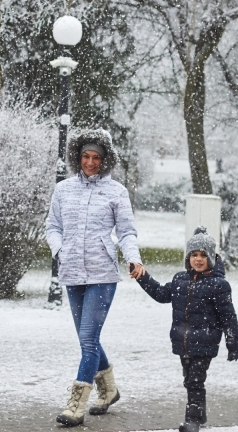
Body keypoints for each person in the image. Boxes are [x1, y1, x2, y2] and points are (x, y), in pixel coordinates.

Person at [45, 128, 145, 427]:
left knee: (88, 340)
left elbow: (126, 232)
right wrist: (60, 250)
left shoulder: (116, 191)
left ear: (105, 160)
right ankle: (109, 389)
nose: (90, 162)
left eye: (96, 158)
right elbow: (53, 226)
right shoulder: (63, 189)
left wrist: (134, 258)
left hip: (103, 273)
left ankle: (76, 404)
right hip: (72, 271)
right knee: (87, 338)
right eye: (86, 157)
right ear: (78, 157)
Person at [134, 227, 238, 432]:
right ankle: (199, 413)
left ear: (211, 258)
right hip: (183, 342)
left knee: (194, 381)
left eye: (203, 255)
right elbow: (161, 294)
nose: (198, 259)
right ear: (188, 257)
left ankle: (192, 420)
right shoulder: (180, 280)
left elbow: (228, 317)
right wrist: (142, 277)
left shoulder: (219, 285)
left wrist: (233, 343)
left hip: (205, 343)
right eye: (194, 255)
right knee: (189, 380)